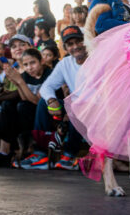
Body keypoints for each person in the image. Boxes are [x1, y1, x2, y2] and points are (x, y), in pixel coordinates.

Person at [35, 26, 88, 169]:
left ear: (86, 40)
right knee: (43, 103)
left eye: (79, 41)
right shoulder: (65, 63)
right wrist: (52, 101)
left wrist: (71, 106)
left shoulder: (96, 58)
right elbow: (46, 87)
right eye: (70, 44)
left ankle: (70, 154)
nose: (76, 46)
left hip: (96, 110)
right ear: (65, 47)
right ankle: (41, 153)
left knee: (78, 108)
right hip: (75, 107)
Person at [9, 48, 52, 167]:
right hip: (32, 112)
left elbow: (38, 101)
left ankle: (36, 150)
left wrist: (21, 82)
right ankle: (24, 148)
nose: (29, 68)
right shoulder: (25, 76)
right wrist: (17, 83)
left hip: (49, 112)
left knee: (27, 107)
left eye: (33, 63)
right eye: (26, 65)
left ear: (42, 61)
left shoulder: (49, 74)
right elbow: (24, 99)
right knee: (21, 106)